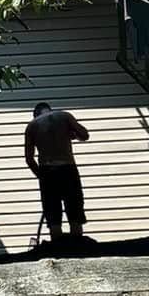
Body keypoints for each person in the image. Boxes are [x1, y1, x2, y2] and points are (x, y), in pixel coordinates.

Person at [24, 101, 90, 245]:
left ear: (35, 115)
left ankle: (59, 253)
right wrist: (72, 134)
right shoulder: (65, 116)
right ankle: (79, 250)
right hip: (68, 169)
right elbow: (84, 135)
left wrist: (42, 176)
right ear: (49, 110)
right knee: (75, 214)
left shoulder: (32, 126)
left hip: (47, 172)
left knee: (53, 218)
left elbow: (29, 159)